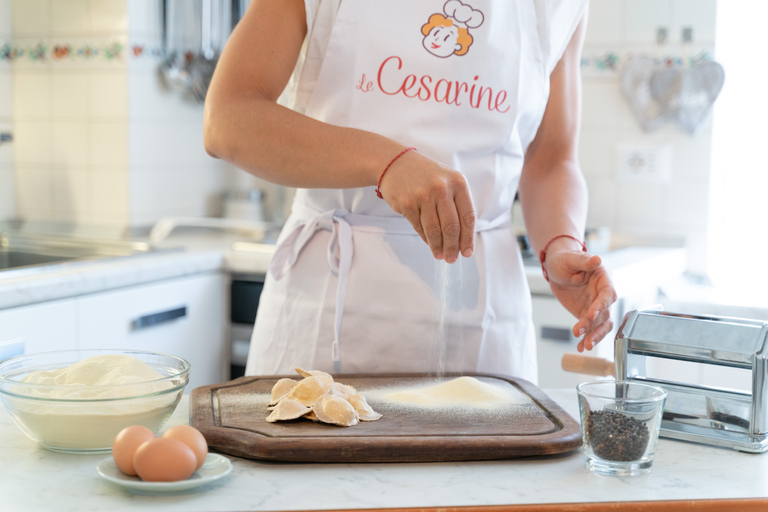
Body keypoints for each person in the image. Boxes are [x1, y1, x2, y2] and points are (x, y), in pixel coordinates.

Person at [204, 0, 617, 382]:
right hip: (327, 306)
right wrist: (386, 162)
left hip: (483, 319)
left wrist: (562, 244)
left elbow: (551, 160)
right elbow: (229, 118)